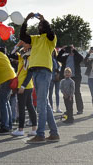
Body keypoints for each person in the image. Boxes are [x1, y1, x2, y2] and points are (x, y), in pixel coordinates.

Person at [19, 12, 59, 143]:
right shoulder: (35, 38)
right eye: (39, 24)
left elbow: (50, 31)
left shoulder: (50, 39)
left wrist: (43, 19)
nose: (40, 26)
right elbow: (22, 36)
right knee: (45, 104)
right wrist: (26, 20)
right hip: (35, 72)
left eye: (42, 25)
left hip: (43, 72)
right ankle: (54, 133)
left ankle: (40, 134)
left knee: (41, 104)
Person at [14, 43, 37, 136]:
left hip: (24, 86)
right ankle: (34, 129)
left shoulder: (30, 57)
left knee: (22, 108)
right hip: (26, 86)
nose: (23, 46)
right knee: (29, 107)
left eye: (25, 44)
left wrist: (23, 86)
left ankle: (21, 129)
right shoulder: (23, 57)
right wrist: (17, 45)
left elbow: (30, 74)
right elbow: (11, 54)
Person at [56, 44, 84, 115]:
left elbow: (81, 58)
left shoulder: (76, 57)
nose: (70, 51)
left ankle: (80, 109)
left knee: (77, 92)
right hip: (67, 78)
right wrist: (62, 50)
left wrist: (74, 50)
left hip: (76, 77)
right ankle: (68, 109)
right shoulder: (65, 57)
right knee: (67, 94)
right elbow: (58, 58)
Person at [49, 48, 61, 113]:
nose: (52, 53)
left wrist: (58, 73)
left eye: (53, 52)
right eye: (51, 52)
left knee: (57, 93)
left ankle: (58, 107)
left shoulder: (56, 60)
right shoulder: (48, 59)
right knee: (50, 93)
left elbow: (59, 68)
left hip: (57, 78)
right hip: (51, 78)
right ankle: (51, 107)